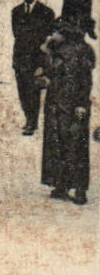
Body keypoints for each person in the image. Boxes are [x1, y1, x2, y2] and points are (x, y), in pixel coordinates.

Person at [39, 18, 94, 205]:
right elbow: (49, 73)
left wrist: (81, 104)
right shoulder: (58, 51)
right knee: (58, 145)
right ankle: (61, 184)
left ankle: (79, 189)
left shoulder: (78, 53)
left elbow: (84, 81)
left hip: (72, 107)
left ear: (63, 34)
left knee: (76, 147)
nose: (51, 35)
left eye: (54, 32)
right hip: (57, 104)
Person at [12, 0, 56, 135]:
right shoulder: (16, 11)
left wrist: (42, 64)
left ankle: (32, 122)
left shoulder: (47, 13)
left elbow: (46, 38)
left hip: (36, 59)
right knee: (22, 91)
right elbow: (16, 34)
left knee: (33, 91)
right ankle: (28, 118)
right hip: (19, 58)